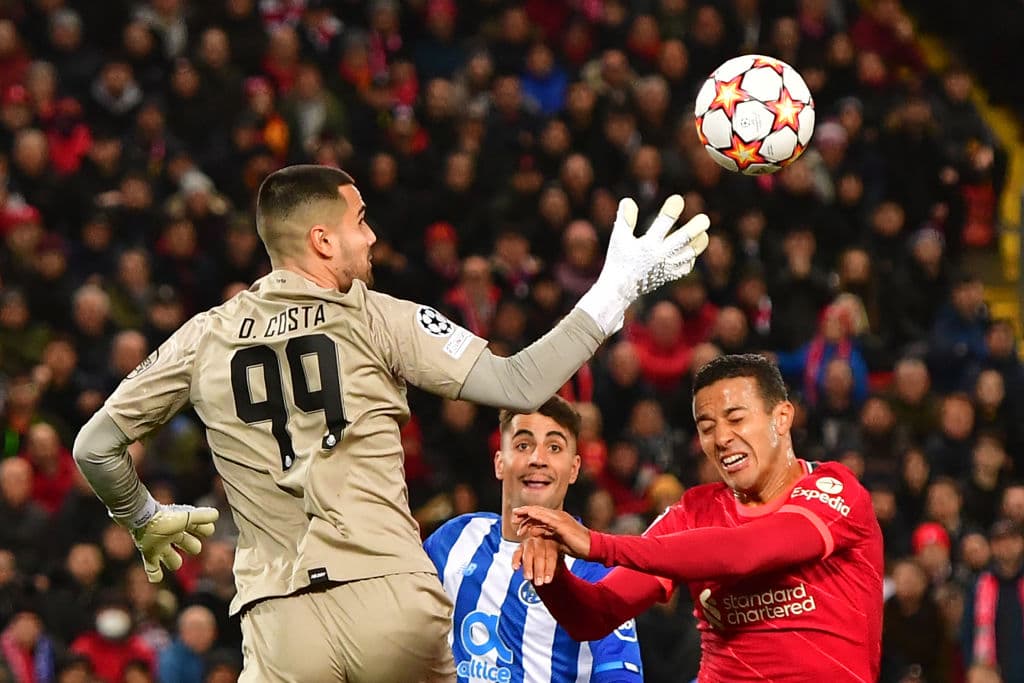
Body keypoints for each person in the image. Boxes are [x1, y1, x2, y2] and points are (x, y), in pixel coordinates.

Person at [72, 165, 711, 682]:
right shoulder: (376, 317)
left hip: (280, 621)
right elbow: (519, 384)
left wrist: (142, 517)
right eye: (360, 221)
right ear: (323, 241)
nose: (372, 236)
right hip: (390, 603)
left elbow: (95, 447)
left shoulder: (203, 337)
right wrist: (614, 292)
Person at [514, 353, 884, 682]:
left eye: (736, 419)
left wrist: (597, 544)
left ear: (782, 417)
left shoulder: (835, 492)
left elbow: (744, 552)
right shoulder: (694, 513)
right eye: (707, 427)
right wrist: (549, 571)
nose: (721, 438)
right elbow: (594, 616)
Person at [423, 396, 643, 682]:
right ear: (500, 463)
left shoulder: (599, 571)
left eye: (554, 447)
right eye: (523, 445)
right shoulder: (453, 540)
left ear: (574, 469)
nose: (538, 459)